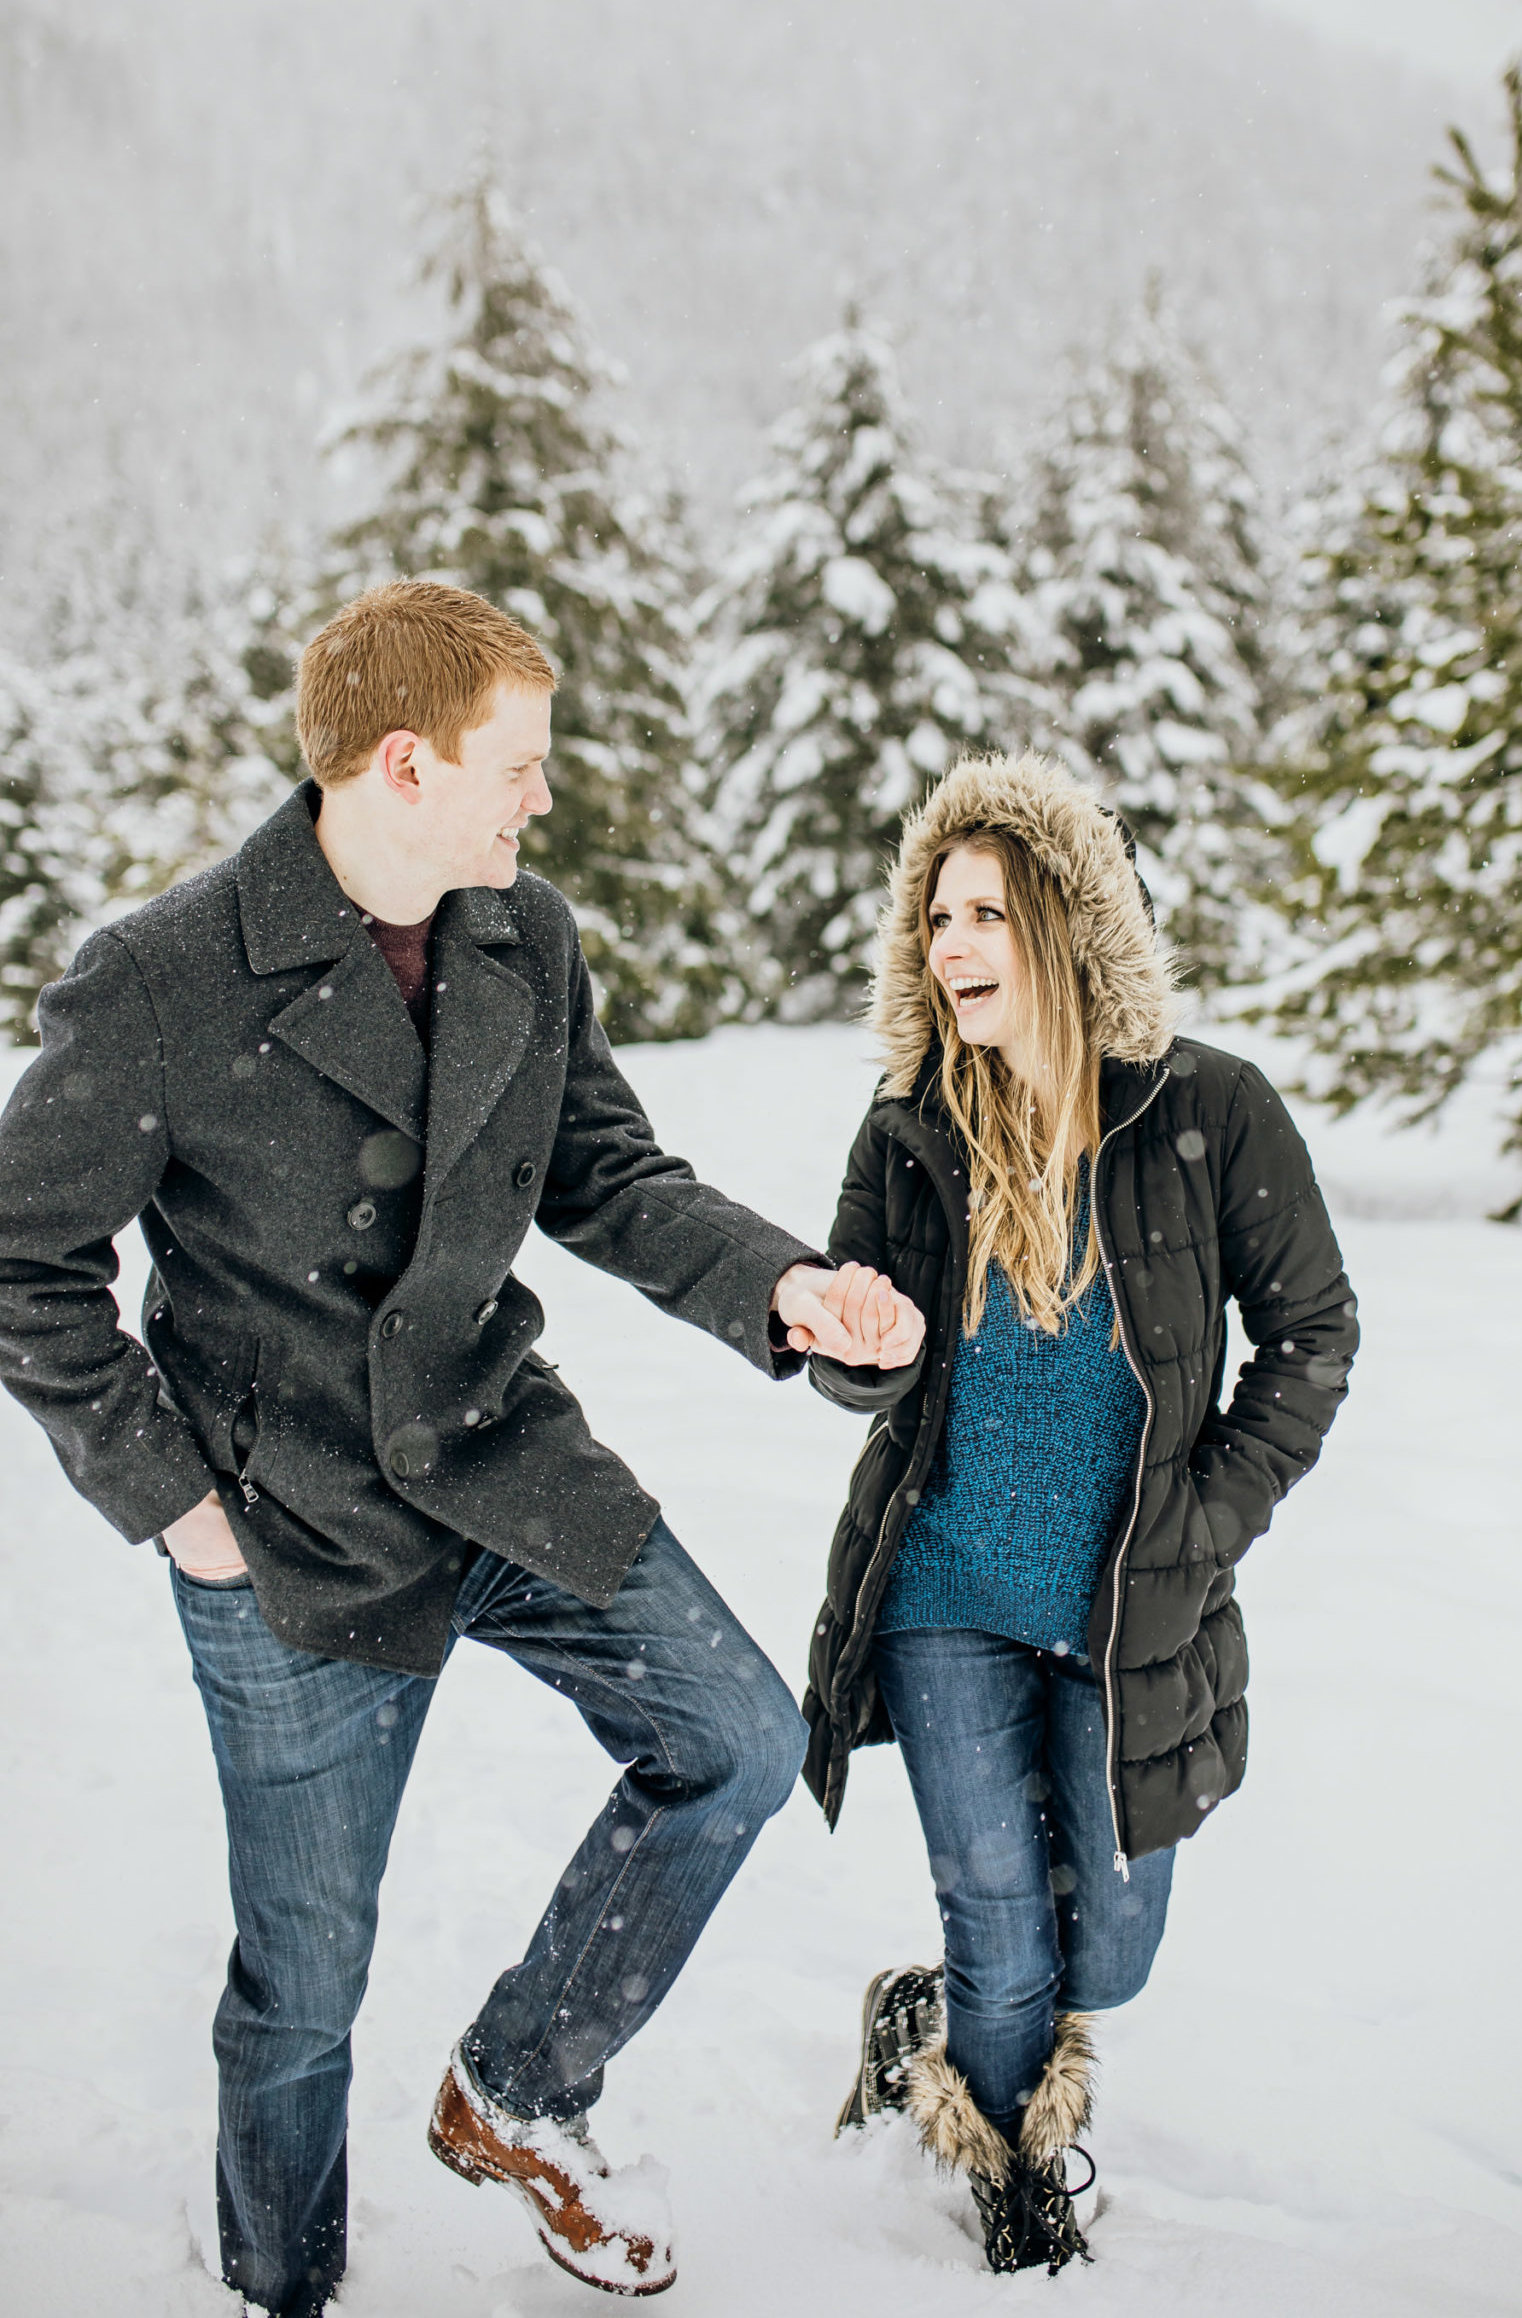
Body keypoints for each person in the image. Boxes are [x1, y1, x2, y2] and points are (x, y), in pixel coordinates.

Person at [0, 579, 923, 2316]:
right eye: (522, 764)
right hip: (291, 1528)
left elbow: (608, 1181)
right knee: (305, 1983)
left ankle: (522, 2089)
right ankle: (287, 2284)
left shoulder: (519, 935)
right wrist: (177, 1505)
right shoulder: (162, 979)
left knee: (733, 1737)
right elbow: (20, 1260)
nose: (541, 799)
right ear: (406, 762)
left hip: (500, 1457)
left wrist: (794, 1293)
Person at [801, 751, 1358, 2275]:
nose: (953, 944)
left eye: (987, 911)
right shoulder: (911, 1124)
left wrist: (1208, 1517)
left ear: (1066, 925)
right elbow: (859, 1364)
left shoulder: (1211, 1112)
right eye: (935, 916)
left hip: (1132, 1611)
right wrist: (849, 1347)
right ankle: (1010, 2162)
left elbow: (1314, 1335)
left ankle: (938, 2011)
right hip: (946, 1595)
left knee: (1109, 1949)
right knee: (1000, 1926)